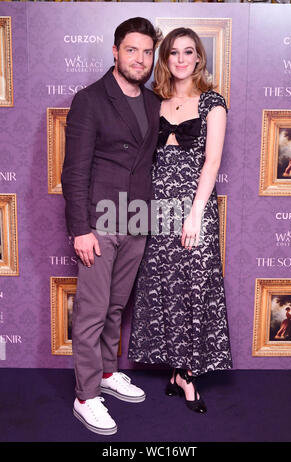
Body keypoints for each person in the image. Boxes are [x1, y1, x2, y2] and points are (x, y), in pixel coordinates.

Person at [61, 17, 161, 435]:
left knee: (116, 308)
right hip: (99, 223)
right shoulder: (90, 99)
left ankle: (105, 372)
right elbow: (74, 171)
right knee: (91, 312)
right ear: (116, 52)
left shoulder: (155, 102)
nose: (140, 58)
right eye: (132, 50)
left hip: (137, 219)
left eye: (147, 51)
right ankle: (86, 396)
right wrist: (80, 229)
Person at [128, 27, 232, 413]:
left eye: (189, 52)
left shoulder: (212, 102)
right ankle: (175, 369)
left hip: (193, 206)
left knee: (194, 285)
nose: (181, 59)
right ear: (165, 59)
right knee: (165, 288)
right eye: (173, 52)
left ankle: (189, 373)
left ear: (199, 58)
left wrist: (195, 214)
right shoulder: (153, 101)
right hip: (158, 207)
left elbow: (213, 161)